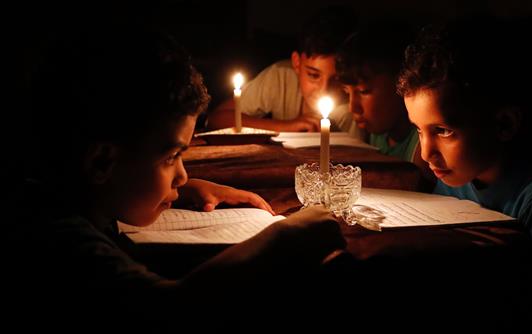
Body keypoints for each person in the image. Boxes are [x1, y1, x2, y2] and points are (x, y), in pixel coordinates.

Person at [8, 23, 345, 329]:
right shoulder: (55, 240)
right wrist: (284, 236)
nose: (183, 175)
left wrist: (182, 190)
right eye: (171, 157)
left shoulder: (61, 196)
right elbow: (173, 310)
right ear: (100, 163)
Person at [396, 18, 532, 253]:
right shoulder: (451, 184)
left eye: (443, 131)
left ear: (504, 124)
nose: (427, 153)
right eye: (419, 130)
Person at [206, 6, 361, 136]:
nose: (324, 90)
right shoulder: (280, 78)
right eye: (313, 75)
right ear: (297, 63)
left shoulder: (355, 106)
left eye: (338, 79)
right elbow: (217, 119)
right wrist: (286, 126)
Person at [335, 21, 433, 180]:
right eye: (347, 93)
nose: (353, 107)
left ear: (401, 82)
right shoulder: (376, 132)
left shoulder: (423, 146)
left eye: (364, 91)